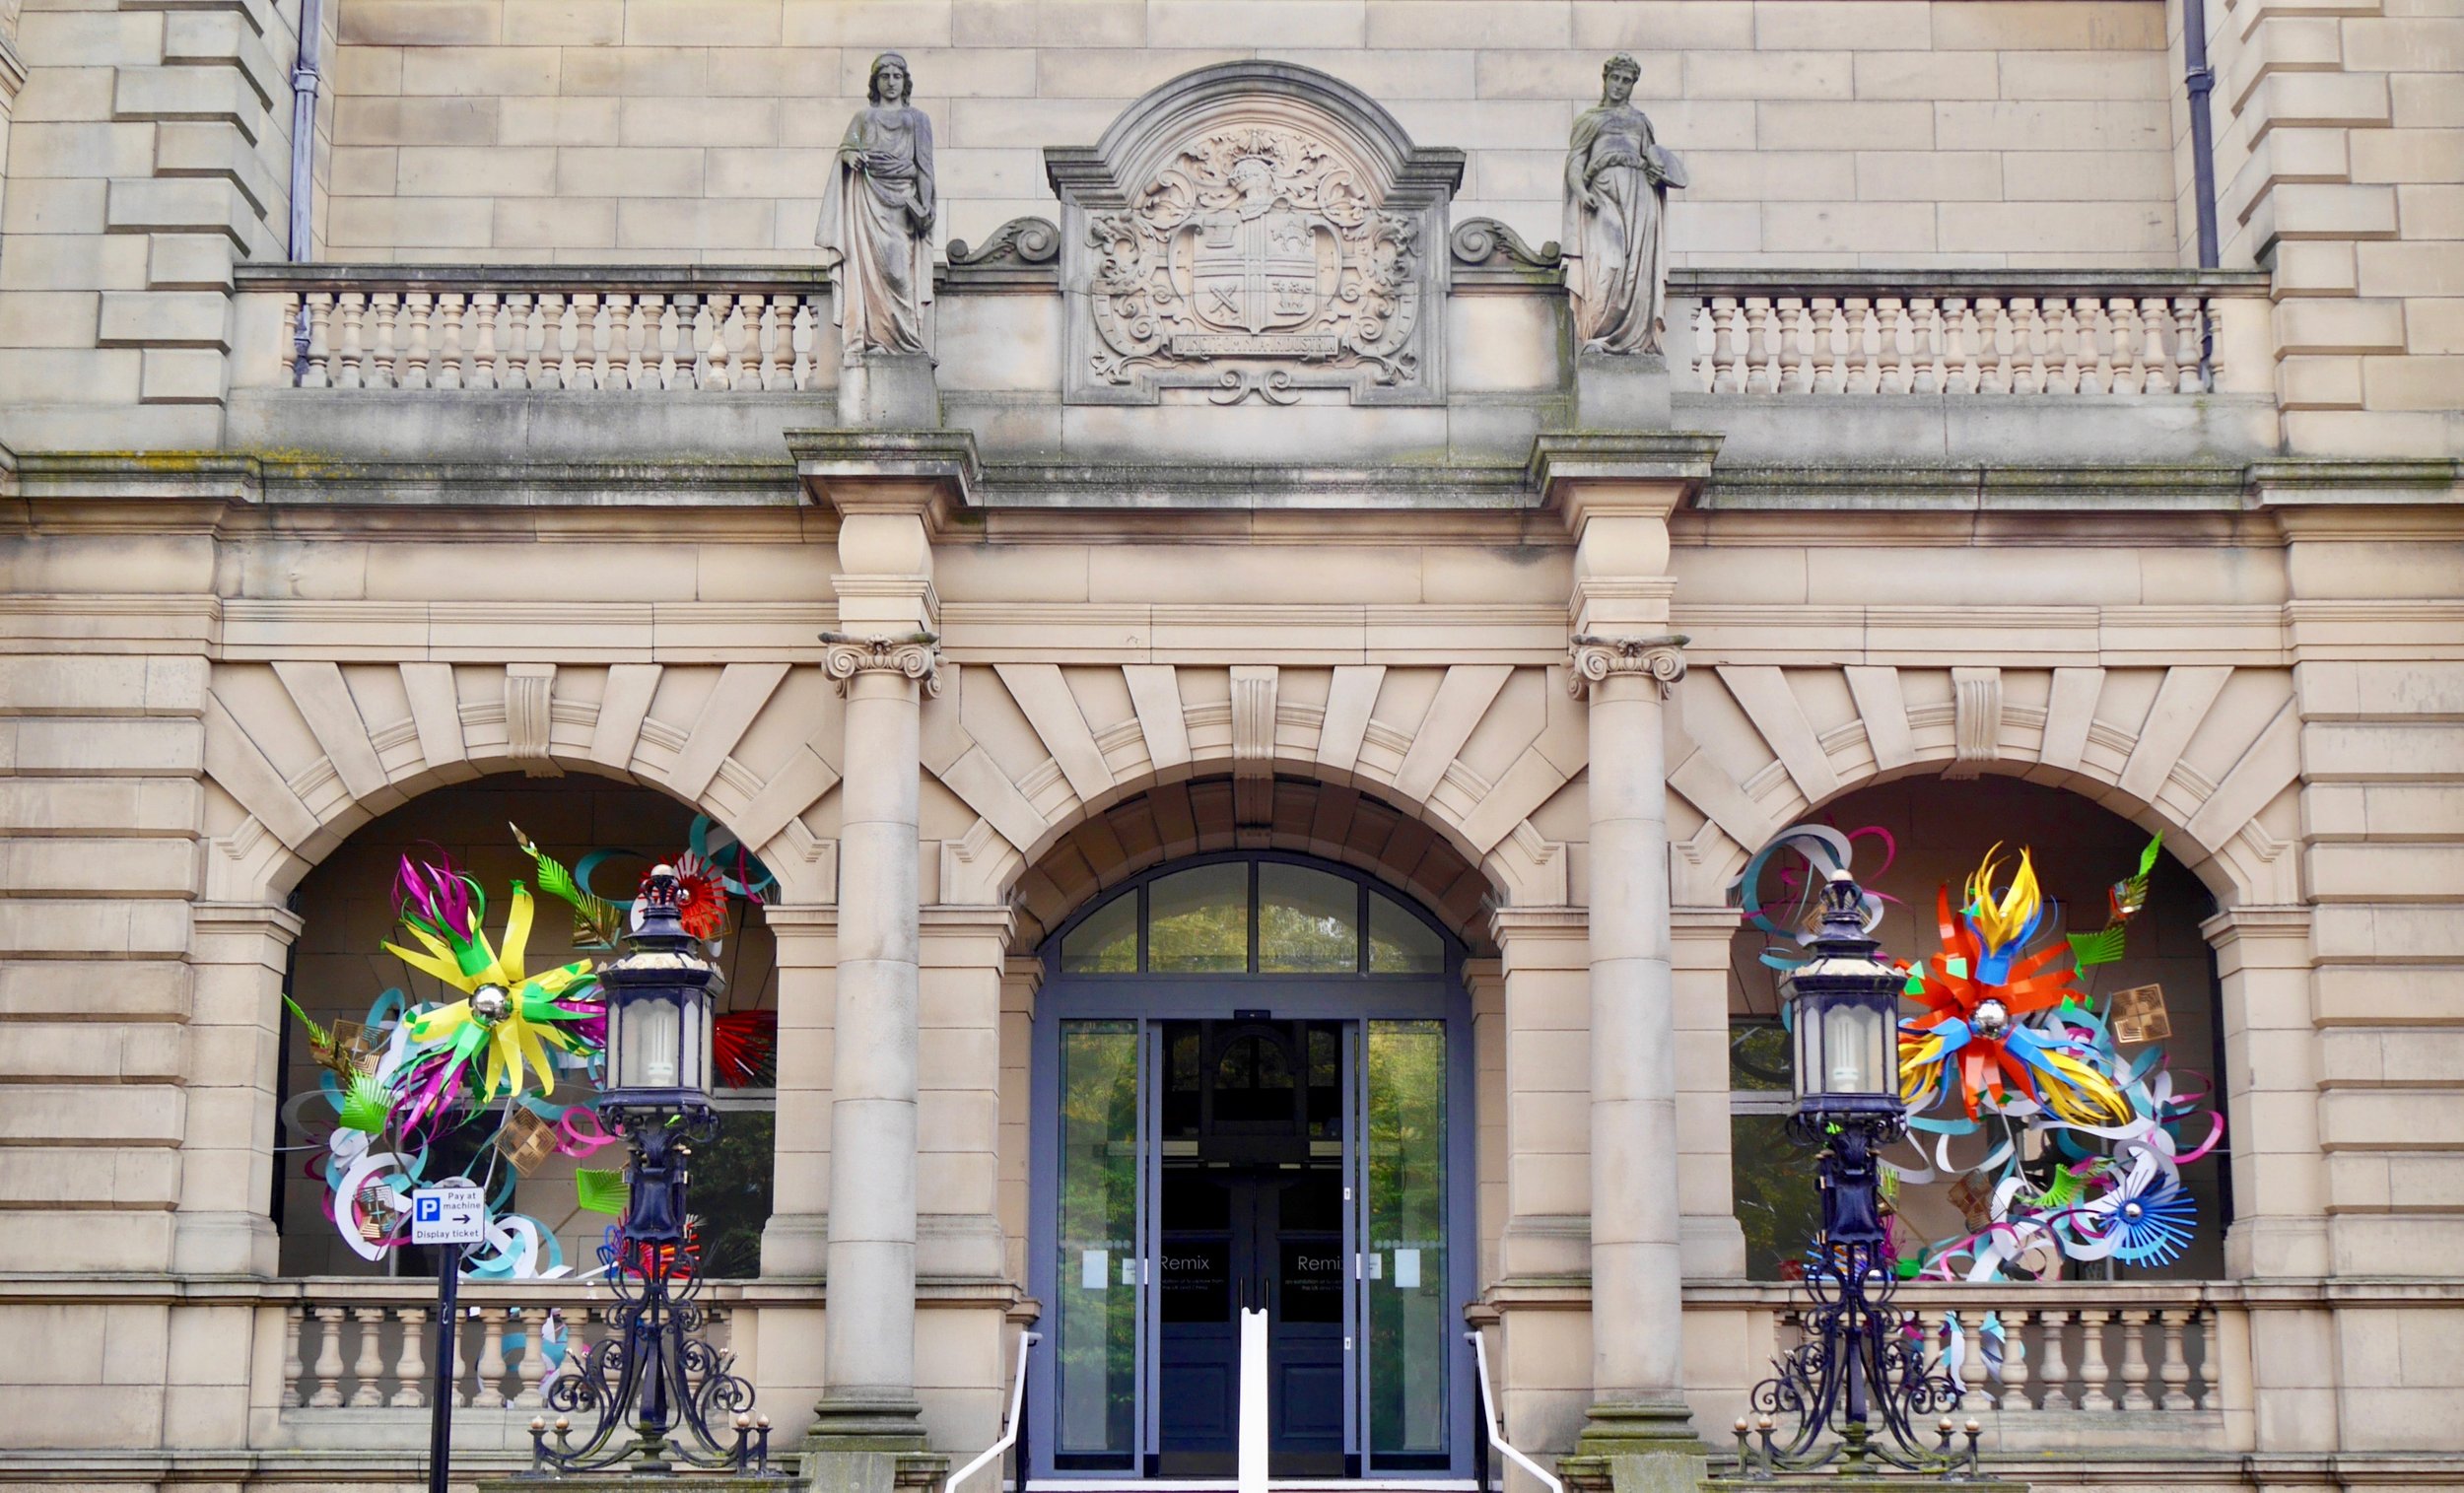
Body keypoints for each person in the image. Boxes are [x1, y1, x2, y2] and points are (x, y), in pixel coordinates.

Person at [1562, 53, 1687, 356]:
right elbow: (1575, 162)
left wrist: (1658, 173)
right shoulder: (1589, 120)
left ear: (1633, 84)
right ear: (1605, 79)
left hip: (1640, 195)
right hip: (1602, 194)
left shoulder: (1640, 122)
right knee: (1610, 262)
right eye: (1615, 78)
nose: (1620, 85)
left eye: (1627, 80)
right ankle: (1601, 334)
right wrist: (1581, 192)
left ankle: (1635, 339)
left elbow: (1654, 159)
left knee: (1637, 267)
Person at [815, 52, 936, 359]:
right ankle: (872, 339)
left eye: (897, 76)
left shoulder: (918, 119)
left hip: (902, 208)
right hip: (868, 202)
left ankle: (905, 340)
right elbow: (846, 149)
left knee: (898, 272)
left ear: (905, 81)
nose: (891, 82)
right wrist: (848, 156)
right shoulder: (863, 118)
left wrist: (925, 205)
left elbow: (924, 167)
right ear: (876, 82)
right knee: (867, 272)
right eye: (885, 77)